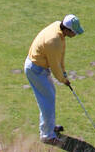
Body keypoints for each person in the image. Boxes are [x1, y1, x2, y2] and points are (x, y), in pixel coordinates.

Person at [24, 14, 85, 143]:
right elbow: (54, 66)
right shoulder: (54, 41)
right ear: (67, 30)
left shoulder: (58, 27)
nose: (75, 35)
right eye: (74, 32)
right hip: (36, 70)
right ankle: (47, 136)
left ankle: (49, 127)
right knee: (47, 100)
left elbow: (60, 57)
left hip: (38, 67)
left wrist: (64, 73)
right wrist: (63, 80)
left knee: (50, 96)